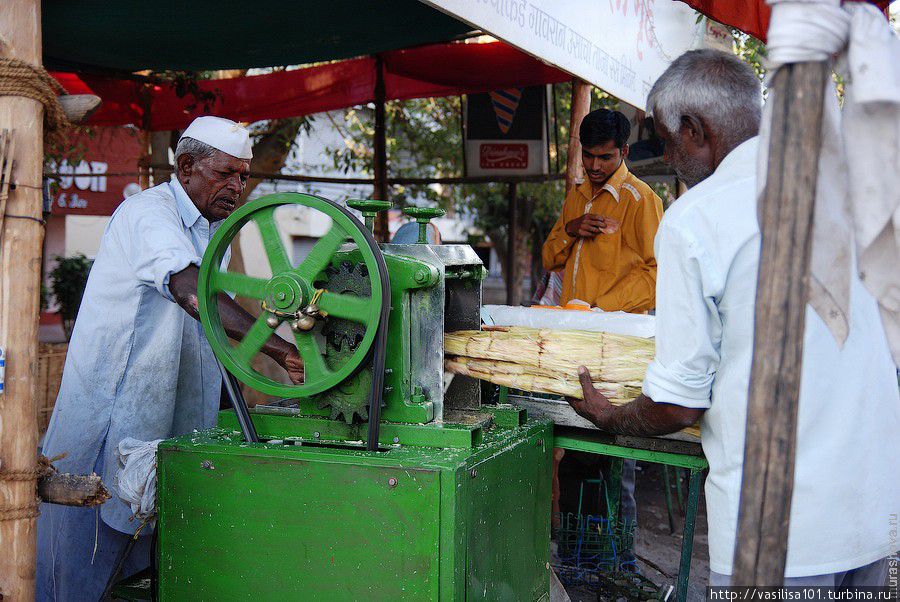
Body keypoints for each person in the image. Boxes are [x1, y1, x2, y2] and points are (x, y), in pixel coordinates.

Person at [567, 49, 900, 587]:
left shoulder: (697, 218)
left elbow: (677, 403)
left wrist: (608, 416)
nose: (670, 159)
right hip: (881, 518)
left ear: (695, 129)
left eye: (668, 141)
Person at [37, 116, 304, 600]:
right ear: (185, 166)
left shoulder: (214, 228)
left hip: (172, 416)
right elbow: (190, 290)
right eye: (226, 173)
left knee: (146, 553)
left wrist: (231, 396)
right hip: (114, 412)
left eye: (243, 176)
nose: (237, 187)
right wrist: (281, 348)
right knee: (85, 554)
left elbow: (207, 324)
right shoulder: (147, 215)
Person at [542, 108, 664, 312]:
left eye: (605, 157)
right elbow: (549, 261)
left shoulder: (640, 199)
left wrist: (602, 308)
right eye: (588, 156)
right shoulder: (577, 194)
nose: (594, 166)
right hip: (571, 327)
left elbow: (659, 274)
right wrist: (570, 230)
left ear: (624, 151)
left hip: (616, 332)